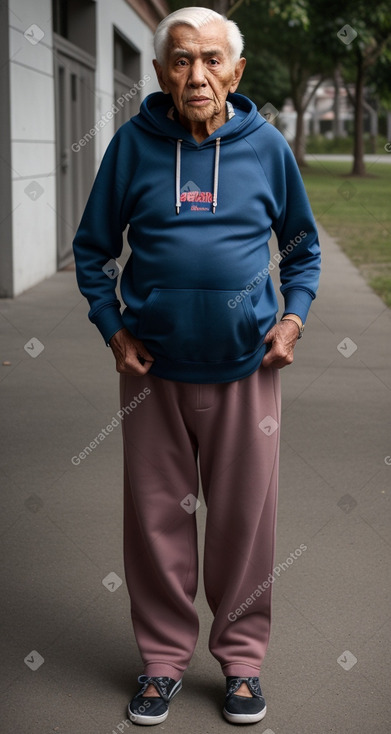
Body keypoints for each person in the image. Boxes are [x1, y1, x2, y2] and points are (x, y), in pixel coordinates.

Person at [72, 6, 321, 726]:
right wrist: (113, 331)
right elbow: (93, 250)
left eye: (212, 60)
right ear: (159, 73)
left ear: (235, 72)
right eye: (181, 60)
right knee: (155, 523)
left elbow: (301, 249)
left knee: (246, 522)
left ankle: (241, 663)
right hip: (151, 372)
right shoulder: (131, 145)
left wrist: (293, 318)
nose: (197, 74)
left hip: (248, 369)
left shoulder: (265, 146)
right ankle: (160, 662)